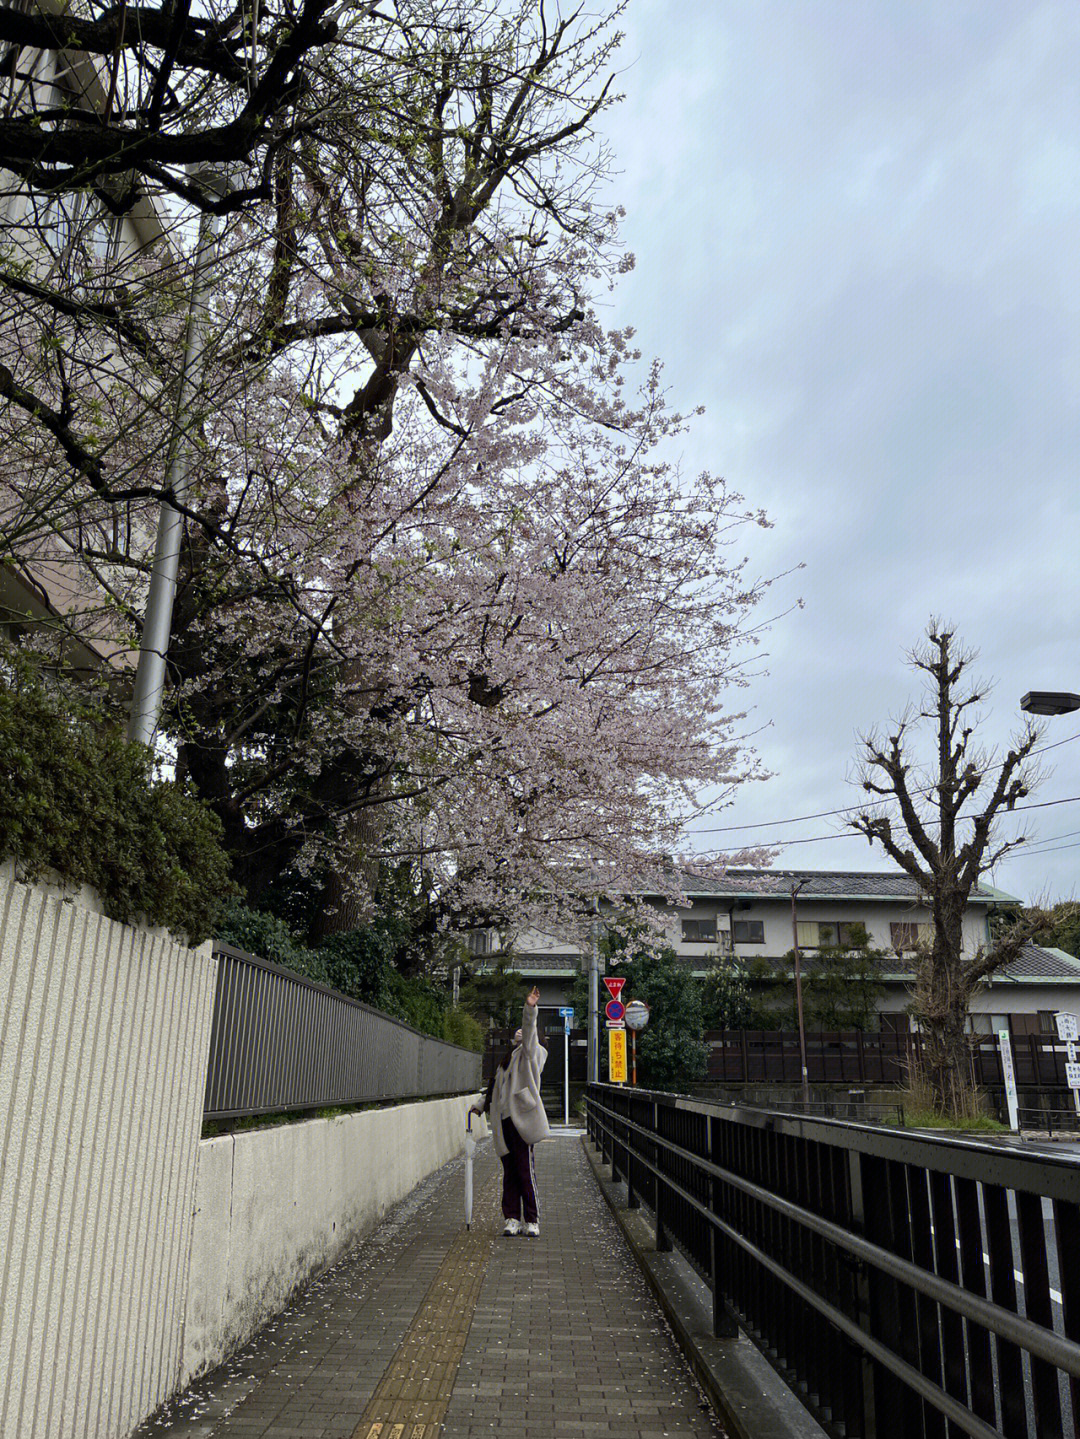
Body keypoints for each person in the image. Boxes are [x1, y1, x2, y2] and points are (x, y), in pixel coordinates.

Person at [472, 987, 550, 1236]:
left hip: (521, 1121)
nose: (519, 1031)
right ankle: (512, 1218)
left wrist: (530, 1008)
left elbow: (529, 1034)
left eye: (523, 1030)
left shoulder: (531, 1054)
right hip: (504, 1121)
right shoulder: (508, 1059)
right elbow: (496, 1088)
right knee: (510, 1172)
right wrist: (481, 1105)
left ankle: (532, 1219)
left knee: (524, 1170)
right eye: (516, 1029)